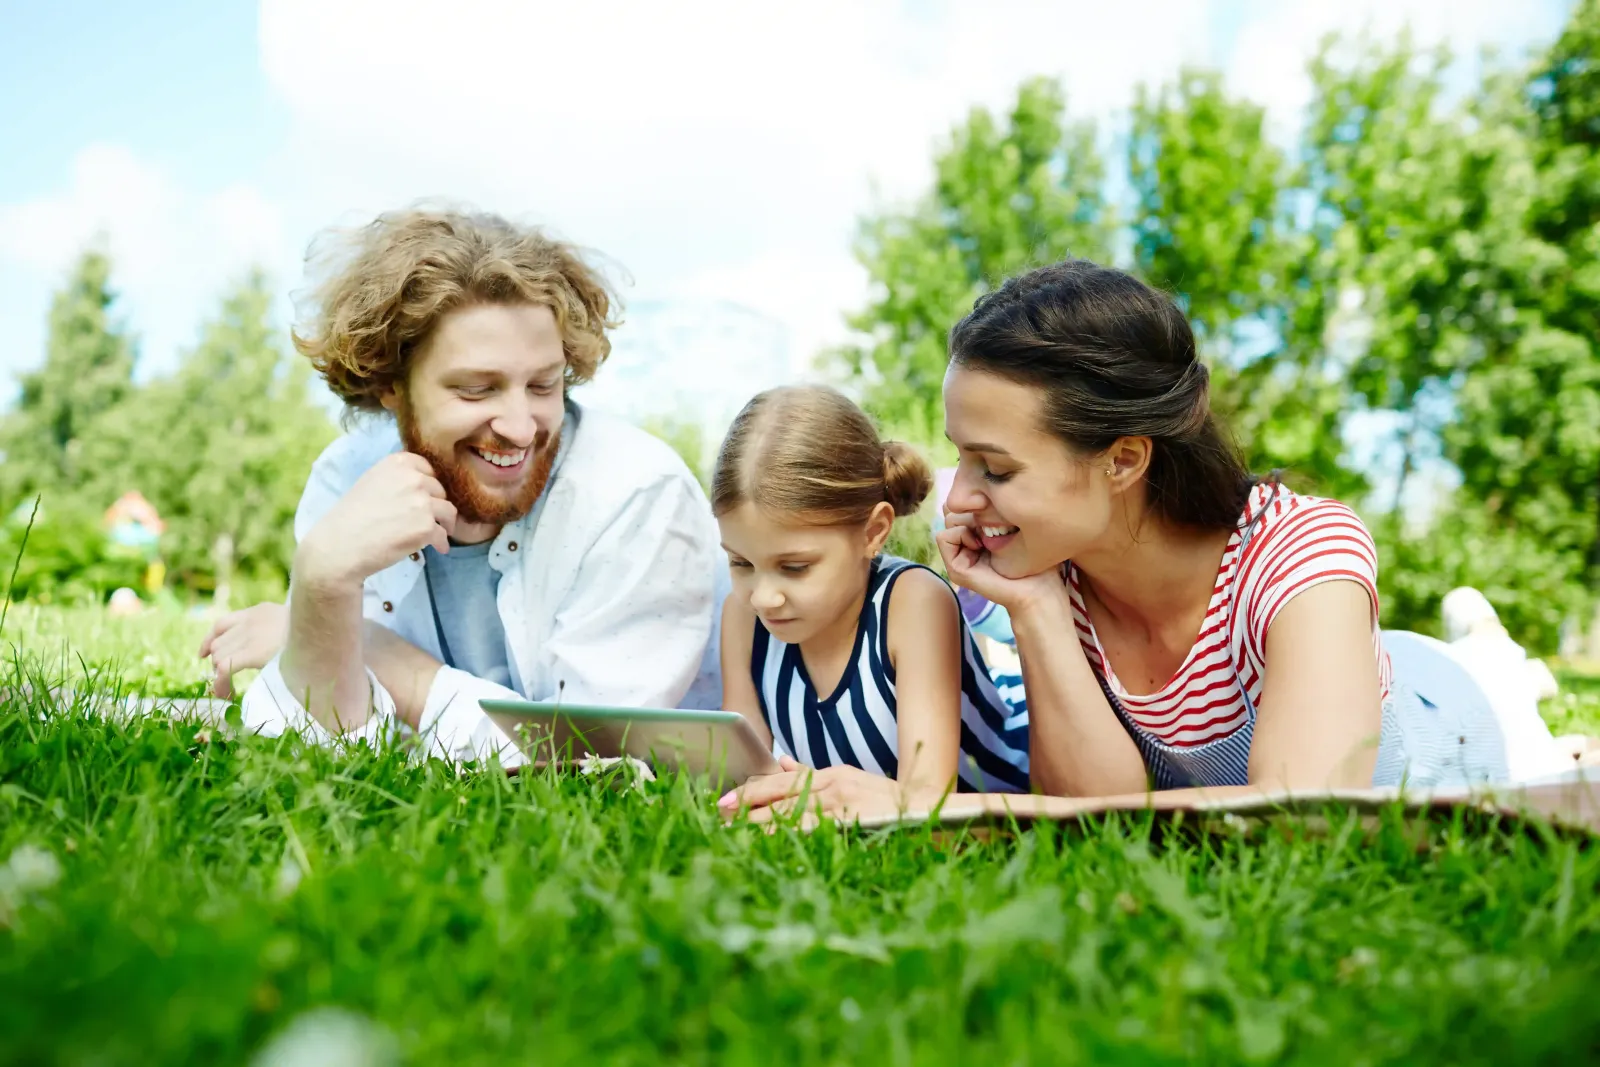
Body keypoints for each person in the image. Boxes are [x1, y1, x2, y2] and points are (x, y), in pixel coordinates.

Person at [725, 259, 1508, 824]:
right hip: (1359, 671)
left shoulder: (1302, 552)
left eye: (994, 467)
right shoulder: (1055, 575)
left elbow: (1296, 812)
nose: (958, 497)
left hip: (1457, 724)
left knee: (1500, 686)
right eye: (962, 455)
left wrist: (926, 807)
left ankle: (1497, 659)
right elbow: (1091, 817)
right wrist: (1033, 608)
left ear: (1125, 458)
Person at [204, 208, 725, 765]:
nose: (521, 427)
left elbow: (594, 764)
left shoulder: (638, 497)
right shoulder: (347, 477)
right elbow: (320, 757)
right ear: (390, 386)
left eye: (544, 385)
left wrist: (369, 649)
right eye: (477, 390)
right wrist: (322, 581)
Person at [711, 385, 1028, 809]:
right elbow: (742, 778)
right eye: (741, 564)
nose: (764, 597)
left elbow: (928, 804)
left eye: (795, 567)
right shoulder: (744, 617)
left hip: (998, 801)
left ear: (873, 532)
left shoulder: (912, 602)